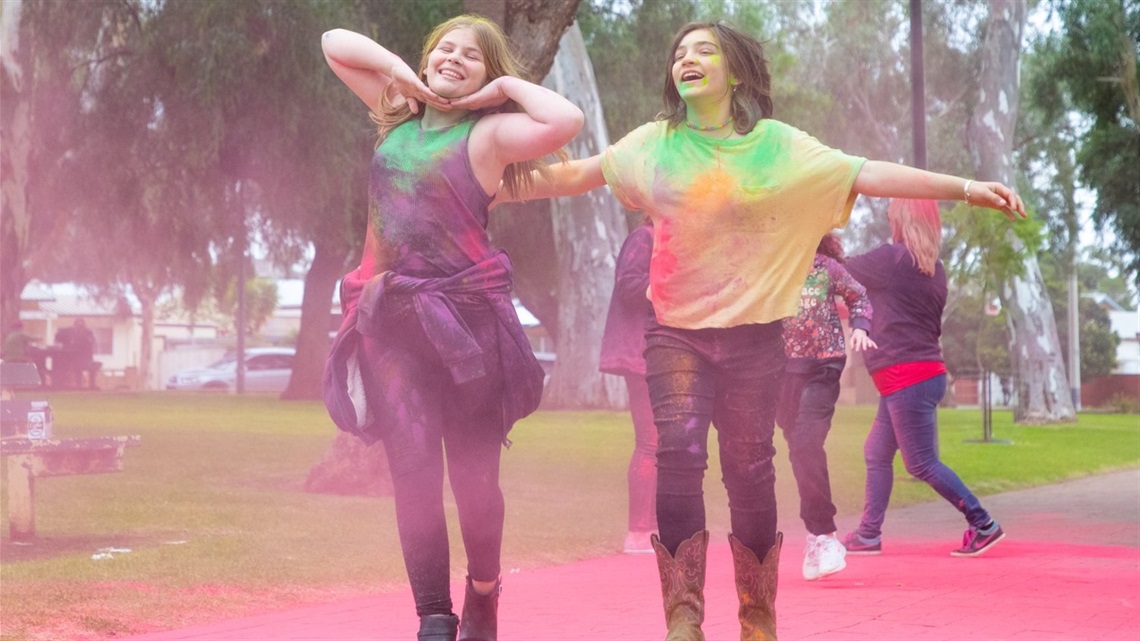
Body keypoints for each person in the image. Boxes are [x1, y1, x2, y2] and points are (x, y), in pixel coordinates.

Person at [506, 20, 1025, 640]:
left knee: (750, 469)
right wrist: (475, 179)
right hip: (676, 332)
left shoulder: (778, 147)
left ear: (736, 74)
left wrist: (968, 189)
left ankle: (757, 619)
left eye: (705, 51)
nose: (687, 59)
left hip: (755, 337)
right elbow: (572, 175)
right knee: (679, 452)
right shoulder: (653, 145)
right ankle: (683, 618)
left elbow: (867, 172)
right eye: (679, 52)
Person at [319, 16, 583, 641]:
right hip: (391, 324)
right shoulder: (397, 118)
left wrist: (498, 93)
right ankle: (434, 617)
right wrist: (410, 81)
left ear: (489, 74)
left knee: (475, 482)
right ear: (428, 55)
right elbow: (335, 43)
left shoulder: (490, 135)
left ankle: (484, 591)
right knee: (412, 473)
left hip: (465, 330)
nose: (454, 58)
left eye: (472, 56)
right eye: (445, 48)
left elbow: (564, 119)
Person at [843, 199, 1006, 559]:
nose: (888, 220)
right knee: (877, 452)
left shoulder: (893, 260)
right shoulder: (934, 269)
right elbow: (883, 303)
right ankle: (869, 535)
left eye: (891, 214)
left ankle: (983, 523)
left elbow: (841, 269)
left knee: (920, 462)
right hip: (917, 374)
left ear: (902, 219)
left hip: (907, 376)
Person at [777, 232, 876, 581]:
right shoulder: (771, 265)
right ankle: (815, 534)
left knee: (806, 442)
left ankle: (826, 536)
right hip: (782, 372)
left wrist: (861, 326)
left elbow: (859, 297)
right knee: (797, 447)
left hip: (823, 365)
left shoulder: (826, 268)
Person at [599, 219, 658, 554]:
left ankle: (653, 527)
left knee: (665, 447)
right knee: (650, 443)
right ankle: (637, 531)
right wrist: (669, 281)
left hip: (659, 353)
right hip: (641, 354)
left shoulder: (665, 238)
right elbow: (628, 286)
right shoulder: (643, 238)